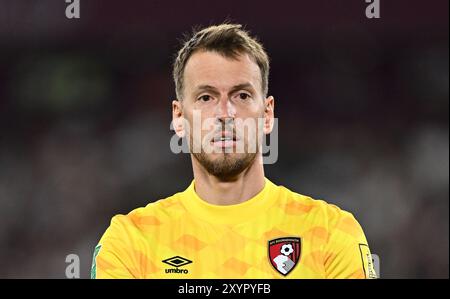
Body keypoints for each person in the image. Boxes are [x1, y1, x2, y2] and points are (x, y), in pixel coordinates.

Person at [91, 23, 377, 279]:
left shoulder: (330, 233)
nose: (225, 113)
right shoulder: (131, 241)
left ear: (267, 115)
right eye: (206, 97)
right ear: (179, 118)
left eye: (241, 95)